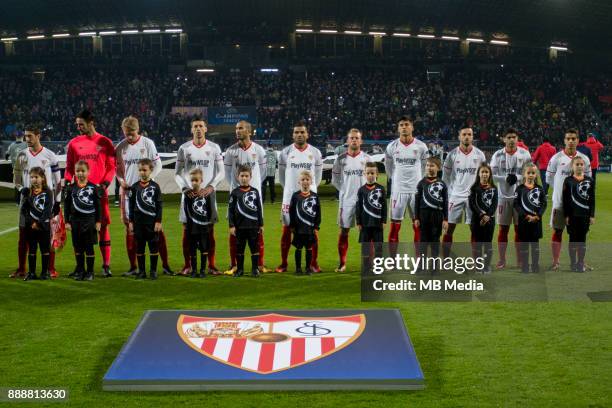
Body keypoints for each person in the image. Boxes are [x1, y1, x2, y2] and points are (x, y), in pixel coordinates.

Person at [116, 116, 173, 276]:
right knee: (130, 230)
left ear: (138, 130)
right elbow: (118, 171)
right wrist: (121, 181)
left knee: (156, 229)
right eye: (127, 133)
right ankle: (134, 267)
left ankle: (166, 265)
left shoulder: (148, 144)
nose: (129, 136)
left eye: (132, 133)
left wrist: (148, 179)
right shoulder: (120, 147)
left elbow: (158, 164)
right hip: (129, 195)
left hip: (148, 193)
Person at [64, 110, 116, 277]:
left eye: (81, 124)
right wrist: (66, 182)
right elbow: (69, 167)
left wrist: (105, 184)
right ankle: (79, 267)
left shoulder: (105, 142)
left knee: (103, 226)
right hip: (78, 195)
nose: (78, 127)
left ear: (91, 122)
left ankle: (106, 265)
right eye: (77, 125)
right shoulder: (74, 143)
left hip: (99, 194)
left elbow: (111, 167)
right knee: (78, 229)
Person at [174, 117, 224, 276]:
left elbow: (221, 171)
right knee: (187, 230)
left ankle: (211, 265)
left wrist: (211, 186)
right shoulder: (184, 148)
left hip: (208, 196)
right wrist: (184, 187)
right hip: (189, 196)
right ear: (191, 129)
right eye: (195, 126)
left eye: (201, 126)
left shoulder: (214, 148)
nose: (198, 129)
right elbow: (177, 173)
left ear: (206, 129)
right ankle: (188, 265)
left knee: (209, 230)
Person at [11, 123, 61, 279]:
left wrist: (57, 202)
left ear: (38, 136)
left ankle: (50, 269)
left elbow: (58, 182)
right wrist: (20, 189)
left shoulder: (50, 156)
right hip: (27, 202)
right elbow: (16, 179)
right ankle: (22, 269)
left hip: (46, 202)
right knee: (24, 236)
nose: (27, 139)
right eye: (25, 136)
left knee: (49, 236)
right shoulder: (21, 155)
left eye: (30, 136)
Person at [275, 121, 323, 273]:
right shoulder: (285, 152)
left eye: (302, 132)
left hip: (309, 198)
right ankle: (284, 264)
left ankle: (313, 264)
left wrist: (311, 190)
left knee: (312, 232)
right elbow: (282, 176)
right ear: (292, 135)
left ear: (307, 134)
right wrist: (289, 189)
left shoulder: (315, 152)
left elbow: (318, 176)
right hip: (290, 198)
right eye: (296, 132)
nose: (299, 135)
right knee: (286, 231)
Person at [224, 121, 269, 275]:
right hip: (236, 197)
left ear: (249, 131)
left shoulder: (259, 150)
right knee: (234, 231)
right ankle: (234, 265)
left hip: (253, 197)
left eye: (241, 128)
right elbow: (227, 174)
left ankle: (259, 265)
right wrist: (238, 190)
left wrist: (251, 185)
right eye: (236, 128)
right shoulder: (230, 151)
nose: (237, 131)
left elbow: (262, 173)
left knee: (257, 232)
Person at [546, 129, 592, 270]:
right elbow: (549, 179)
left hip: (578, 205)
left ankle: (580, 262)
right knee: (557, 231)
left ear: (578, 141)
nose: (571, 141)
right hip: (560, 203)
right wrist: (562, 191)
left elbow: (588, 181)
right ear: (564, 141)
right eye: (568, 138)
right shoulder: (556, 158)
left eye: (574, 138)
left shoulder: (584, 159)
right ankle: (556, 262)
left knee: (578, 235)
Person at [490, 128, 532, 269]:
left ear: (517, 138)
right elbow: (491, 175)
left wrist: (519, 177)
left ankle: (520, 260)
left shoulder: (525, 154)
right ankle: (502, 260)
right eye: (509, 137)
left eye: (514, 137)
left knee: (519, 230)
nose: (512, 139)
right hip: (503, 198)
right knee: (503, 230)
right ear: (504, 139)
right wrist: (506, 178)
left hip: (520, 198)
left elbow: (531, 173)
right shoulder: (497, 155)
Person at [385, 116, 429, 248]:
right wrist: (397, 179)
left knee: (418, 226)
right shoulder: (391, 146)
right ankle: (392, 261)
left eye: (407, 124)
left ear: (412, 127)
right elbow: (388, 168)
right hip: (398, 191)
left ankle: (419, 260)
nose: (404, 127)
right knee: (394, 227)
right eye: (401, 125)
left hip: (416, 192)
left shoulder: (421, 146)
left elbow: (424, 167)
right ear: (398, 128)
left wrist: (418, 182)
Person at [441, 125, 486, 254]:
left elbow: (484, 175)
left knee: (475, 228)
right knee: (449, 228)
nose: (467, 137)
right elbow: (445, 177)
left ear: (472, 137)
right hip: (455, 196)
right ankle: (445, 259)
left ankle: (476, 260)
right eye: (464, 134)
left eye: (469, 134)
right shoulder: (452, 155)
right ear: (459, 136)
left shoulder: (480, 155)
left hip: (473, 197)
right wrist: (447, 193)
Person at [331, 129, 371, 272]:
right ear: (347, 141)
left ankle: (368, 265)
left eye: (357, 138)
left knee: (367, 233)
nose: (354, 140)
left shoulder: (367, 159)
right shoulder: (340, 159)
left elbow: (372, 179)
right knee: (344, 231)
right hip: (346, 201)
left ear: (361, 141)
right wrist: (344, 190)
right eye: (351, 138)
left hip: (365, 202)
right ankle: (342, 264)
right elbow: (335, 179)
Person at [64, 160, 102, 281]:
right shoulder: (70, 188)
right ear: (74, 173)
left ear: (88, 172)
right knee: (78, 248)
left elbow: (98, 206)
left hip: (89, 221)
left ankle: (90, 272)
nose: (80, 173)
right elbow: (66, 206)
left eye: (83, 171)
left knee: (89, 247)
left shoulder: (93, 188)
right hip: (75, 222)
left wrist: (98, 221)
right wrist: (67, 221)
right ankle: (80, 271)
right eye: (78, 171)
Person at [128, 159, 163, 280]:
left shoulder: (155, 186)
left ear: (151, 170)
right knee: (140, 247)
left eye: (145, 170)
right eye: (140, 170)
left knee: (153, 247)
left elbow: (159, 205)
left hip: (152, 223)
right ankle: (141, 271)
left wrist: (158, 221)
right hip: (138, 224)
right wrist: (131, 222)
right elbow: (131, 206)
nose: (142, 172)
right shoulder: (134, 187)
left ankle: (153, 271)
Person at [228, 165, 264, 278]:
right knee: (239, 249)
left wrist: (261, 224)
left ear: (250, 177)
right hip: (240, 227)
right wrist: (231, 225)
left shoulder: (255, 191)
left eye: (246, 176)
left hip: (253, 226)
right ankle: (240, 270)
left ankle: (254, 269)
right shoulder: (234, 192)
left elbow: (259, 208)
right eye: (242, 176)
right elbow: (230, 211)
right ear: (238, 177)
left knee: (255, 248)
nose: (244, 178)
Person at [414, 157, 448, 271]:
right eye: (428, 165)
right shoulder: (421, 183)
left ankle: (434, 265)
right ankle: (421, 265)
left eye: (432, 165)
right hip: (423, 215)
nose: (429, 168)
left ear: (438, 168)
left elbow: (445, 202)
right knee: (423, 241)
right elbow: (417, 202)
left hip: (437, 216)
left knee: (435, 241)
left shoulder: (442, 184)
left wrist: (445, 219)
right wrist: (416, 217)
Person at [562, 156, 595, 272]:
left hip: (584, 215)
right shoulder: (568, 181)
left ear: (584, 166)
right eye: (577, 164)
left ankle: (580, 263)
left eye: (581, 164)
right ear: (572, 166)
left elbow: (592, 199)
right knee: (572, 240)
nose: (580, 166)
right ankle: (572, 264)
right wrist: (566, 215)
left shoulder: (590, 180)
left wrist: (592, 215)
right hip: (572, 216)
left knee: (582, 240)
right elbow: (565, 200)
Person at [20, 167, 54, 281]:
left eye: (36, 177)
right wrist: (31, 222)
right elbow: (24, 210)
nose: (34, 179)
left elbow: (48, 211)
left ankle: (45, 272)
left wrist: (39, 223)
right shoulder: (28, 193)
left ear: (43, 178)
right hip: (31, 227)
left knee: (45, 250)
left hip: (44, 227)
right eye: (32, 177)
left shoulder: (48, 192)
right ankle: (32, 273)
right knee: (32, 250)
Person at [514, 163, 547, 273]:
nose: (531, 175)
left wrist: (537, 216)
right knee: (524, 246)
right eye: (528, 173)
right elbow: (516, 204)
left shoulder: (540, 189)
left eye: (533, 173)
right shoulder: (519, 189)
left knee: (535, 245)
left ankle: (535, 266)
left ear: (536, 174)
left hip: (536, 222)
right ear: (524, 174)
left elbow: (544, 204)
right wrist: (525, 215)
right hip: (524, 222)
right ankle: (525, 266)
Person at [356, 162, 387, 271]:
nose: (370, 175)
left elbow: (384, 207)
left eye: (372, 173)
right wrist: (358, 222)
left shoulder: (381, 189)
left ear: (377, 174)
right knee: (365, 246)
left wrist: (384, 221)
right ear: (364, 174)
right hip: (365, 223)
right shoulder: (361, 190)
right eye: (368, 173)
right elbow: (358, 207)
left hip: (378, 223)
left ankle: (378, 266)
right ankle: (366, 266)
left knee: (378, 246)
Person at [289, 171, 321, 276]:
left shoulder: (315, 196)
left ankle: (308, 268)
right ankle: (298, 268)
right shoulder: (295, 196)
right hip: (298, 229)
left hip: (310, 229)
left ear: (311, 182)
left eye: (307, 180)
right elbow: (291, 211)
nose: (305, 182)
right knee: (298, 248)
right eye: (303, 180)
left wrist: (316, 226)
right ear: (299, 182)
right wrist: (292, 226)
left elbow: (318, 213)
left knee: (309, 248)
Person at [183, 168, 214, 278]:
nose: (194, 183)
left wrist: (208, 223)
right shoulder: (188, 195)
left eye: (196, 180)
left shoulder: (206, 195)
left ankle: (202, 270)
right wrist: (188, 224)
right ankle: (194, 270)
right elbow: (186, 211)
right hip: (192, 228)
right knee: (192, 249)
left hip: (203, 227)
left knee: (204, 248)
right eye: (192, 180)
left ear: (201, 181)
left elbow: (210, 210)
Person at [468, 163, 498, 274]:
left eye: (486, 172)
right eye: (482, 172)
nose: (484, 174)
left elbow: (494, 205)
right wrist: (481, 215)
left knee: (488, 244)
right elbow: (472, 204)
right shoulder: (474, 188)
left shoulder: (494, 189)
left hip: (490, 220)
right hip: (477, 220)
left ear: (490, 174)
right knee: (478, 244)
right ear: (479, 174)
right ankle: (478, 267)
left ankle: (487, 266)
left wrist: (488, 216)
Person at [6, 132, 27, 205]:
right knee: (25, 185)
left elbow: (6, 155)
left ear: (16, 136)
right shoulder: (26, 144)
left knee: (17, 185)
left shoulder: (11, 145)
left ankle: (17, 202)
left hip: (15, 169)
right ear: (23, 136)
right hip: (25, 169)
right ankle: (25, 200)